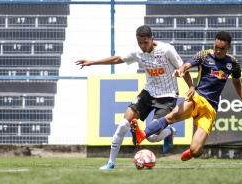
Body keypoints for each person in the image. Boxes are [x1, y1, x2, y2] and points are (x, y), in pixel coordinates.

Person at [130, 31, 242, 162]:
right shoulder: (205, 55)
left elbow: (237, 83)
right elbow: (187, 65)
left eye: (222, 48)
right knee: (172, 117)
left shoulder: (233, 63)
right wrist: (181, 71)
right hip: (198, 98)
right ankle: (143, 135)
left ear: (229, 47)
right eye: (216, 47)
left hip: (210, 109)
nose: (217, 51)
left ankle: (193, 151)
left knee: (195, 151)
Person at [75, 25, 191, 169]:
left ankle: (169, 132)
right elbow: (117, 59)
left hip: (167, 96)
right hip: (148, 93)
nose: (142, 46)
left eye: (145, 42)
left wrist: (191, 87)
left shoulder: (166, 50)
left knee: (151, 136)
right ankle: (111, 163)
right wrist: (92, 62)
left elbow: (183, 68)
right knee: (123, 124)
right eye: (139, 43)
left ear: (152, 39)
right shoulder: (138, 53)